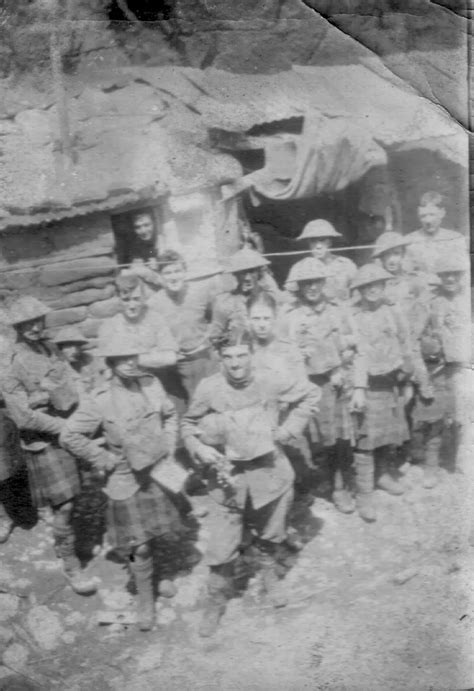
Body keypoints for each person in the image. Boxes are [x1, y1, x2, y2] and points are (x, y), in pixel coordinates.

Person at [181, 328, 319, 637]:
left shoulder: (270, 379)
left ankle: (269, 575)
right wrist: (199, 448)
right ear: (219, 358)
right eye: (228, 356)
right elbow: (187, 424)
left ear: (251, 355)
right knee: (221, 546)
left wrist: (288, 430)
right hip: (227, 477)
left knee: (271, 531)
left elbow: (311, 394)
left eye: (242, 355)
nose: (235, 363)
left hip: (270, 471)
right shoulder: (208, 387)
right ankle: (216, 600)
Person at [60, 336, 182, 631]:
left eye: (134, 356)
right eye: (122, 358)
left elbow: (170, 415)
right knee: (134, 546)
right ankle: (143, 594)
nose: (130, 362)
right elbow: (69, 436)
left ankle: (162, 572)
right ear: (111, 363)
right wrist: (102, 459)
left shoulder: (151, 385)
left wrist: (169, 446)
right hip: (125, 477)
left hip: (157, 471)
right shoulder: (100, 399)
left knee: (162, 531)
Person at [1, 296, 96, 593]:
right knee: (64, 505)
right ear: (16, 327)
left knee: (76, 496)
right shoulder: (10, 364)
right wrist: (61, 424)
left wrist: (52, 397)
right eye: (25, 323)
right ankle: (71, 564)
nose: (33, 327)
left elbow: (69, 385)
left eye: (36, 321)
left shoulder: (50, 349)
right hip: (42, 442)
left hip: (67, 429)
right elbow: (22, 416)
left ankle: (64, 540)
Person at [282, 258, 362, 513]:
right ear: (299, 287)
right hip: (303, 386)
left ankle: (339, 487)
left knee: (338, 440)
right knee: (307, 441)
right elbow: (280, 351)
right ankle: (311, 485)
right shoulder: (291, 316)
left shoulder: (338, 310)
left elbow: (355, 345)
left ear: (323, 283)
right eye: (306, 283)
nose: (312, 288)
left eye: (316, 282)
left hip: (333, 384)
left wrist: (343, 366)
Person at [349, 265, 416, 522]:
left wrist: (407, 379)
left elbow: (405, 343)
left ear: (384, 286)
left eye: (377, 284)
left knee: (388, 434)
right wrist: (358, 387)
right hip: (366, 384)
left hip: (391, 382)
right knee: (366, 439)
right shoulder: (354, 316)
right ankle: (364, 493)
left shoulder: (393, 312)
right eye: (366, 286)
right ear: (360, 291)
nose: (372, 290)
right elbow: (355, 354)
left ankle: (382, 475)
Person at [411, 254, 470, 487]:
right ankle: (431, 466)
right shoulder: (431, 303)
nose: (451, 278)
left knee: (467, 418)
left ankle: (465, 460)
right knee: (434, 419)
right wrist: (423, 377)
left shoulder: (468, 299)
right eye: (446, 274)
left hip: (467, 368)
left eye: (455, 274)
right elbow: (413, 341)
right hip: (440, 369)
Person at [148, 250, 218, 400]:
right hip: (176, 365)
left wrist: (209, 338)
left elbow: (215, 318)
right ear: (160, 276)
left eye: (177, 271)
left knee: (211, 401)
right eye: (167, 273)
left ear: (185, 272)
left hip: (203, 358)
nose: (173, 277)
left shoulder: (200, 292)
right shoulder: (153, 304)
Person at [98, 273, 178, 376]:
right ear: (118, 299)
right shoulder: (109, 326)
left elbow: (171, 357)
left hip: (154, 377)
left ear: (143, 297)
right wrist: (114, 367)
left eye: (136, 299)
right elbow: (104, 366)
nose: (132, 306)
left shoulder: (155, 319)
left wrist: (136, 360)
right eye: (126, 300)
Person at [209, 248, 281, 343]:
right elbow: (215, 337)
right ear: (235, 274)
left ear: (259, 273)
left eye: (251, 271)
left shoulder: (272, 298)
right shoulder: (225, 303)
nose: (247, 278)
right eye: (242, 272)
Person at [285, 220, 357, 304]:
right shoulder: (299, 268)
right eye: (313, 241)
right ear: (308, 243)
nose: (318, 246)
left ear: (330, 242)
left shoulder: (346, 265)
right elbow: (289, 297)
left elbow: (358, 293)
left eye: (322, 240)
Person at [405, 191, 467, 274]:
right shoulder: (409, 241)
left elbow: (464, 271)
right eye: (423, 216)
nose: (428, 221)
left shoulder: (456, 239)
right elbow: (405, 272)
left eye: (432, 214)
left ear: (442, 213)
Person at [52, 327, 100, 399]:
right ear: (61, 348)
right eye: (69, 346)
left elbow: (99, 382)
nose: (74, 350)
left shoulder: (88, 361)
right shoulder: (57, 368)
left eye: (77, 346)